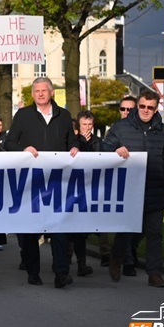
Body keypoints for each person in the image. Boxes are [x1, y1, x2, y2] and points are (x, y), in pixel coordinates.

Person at [4, 77, 79, 289]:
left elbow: (71, 141)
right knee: (30, 229)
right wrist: (23, 150)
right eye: (36, 91)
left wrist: (74, 148)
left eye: (43, 90)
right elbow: (9, 142)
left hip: (57, 181)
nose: (40, 94)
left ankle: (61, 272)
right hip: (31, 181)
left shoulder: (63, 116)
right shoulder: (23, 115)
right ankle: (33, 271)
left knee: (59, 228)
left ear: (52, 92)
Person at [104, 90, 164, 288]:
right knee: (126, 230)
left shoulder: (163, 131)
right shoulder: (121, 127)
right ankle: (116, 258)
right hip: (128, 190)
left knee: (155, 233)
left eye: (150, 107)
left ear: (156, 109)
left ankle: (154, 273)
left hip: (154, 188)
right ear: (138, 106)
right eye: (143, 106)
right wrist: (115, 150)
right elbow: (103, 149)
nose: (146, 110)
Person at [71, 110, 101, 277]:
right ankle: (64, 261)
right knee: (72, 230)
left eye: (90, 125)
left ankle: (82, 263)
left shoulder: (98, 141)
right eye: (84, 125)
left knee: (81, 230)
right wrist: (81, 142)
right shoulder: (73, 142)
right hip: (74, 189)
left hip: (91, 189)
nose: (87, 128)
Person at [116, 95, 142, 275]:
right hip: (121, 185)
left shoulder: (145, 129)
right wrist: (114, 150)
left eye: (130, 110)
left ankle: (130, 250)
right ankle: (127, 261)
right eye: (123, 109)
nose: (126, 113)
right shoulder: (116, 129)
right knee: (125, 224)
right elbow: (103, 150)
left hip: (142, 183)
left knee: (142, 225)